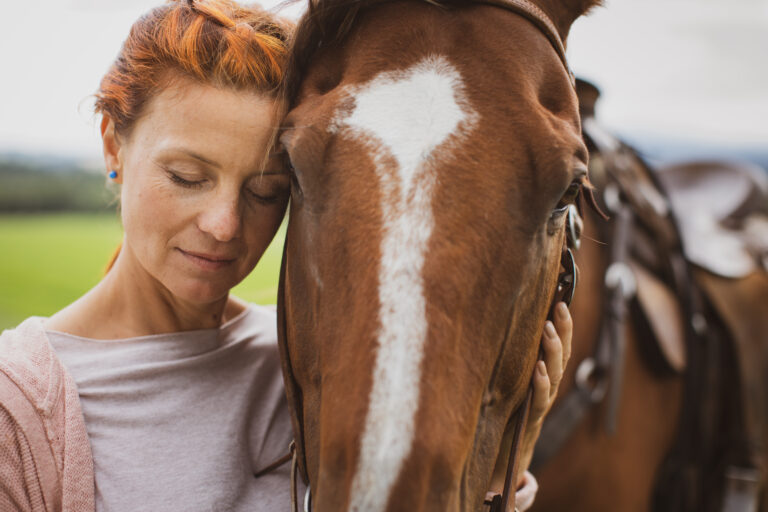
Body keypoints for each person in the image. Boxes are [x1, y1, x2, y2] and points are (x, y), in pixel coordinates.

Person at [0, 0, 572, 510]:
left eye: (266, 191)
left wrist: (502, 464)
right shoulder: (19, 409)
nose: (224, 226)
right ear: (111, 146)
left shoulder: (307, 362)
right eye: (186, 176)